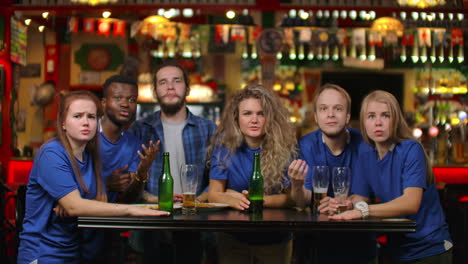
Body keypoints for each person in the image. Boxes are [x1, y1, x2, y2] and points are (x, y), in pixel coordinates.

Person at [17, 90, 169, 264]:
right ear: (63, 123)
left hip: (74, 253)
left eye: (91, 117)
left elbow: (99, 202)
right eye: (77, 116)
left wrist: (75, 202)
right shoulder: (52, 153)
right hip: (44, 253)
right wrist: (130, 209)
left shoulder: (90, 154)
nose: (86, 122)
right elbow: (75, 207)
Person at [329, 90, 453, 263]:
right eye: (371, 116)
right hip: (395, 250)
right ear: (364, 123)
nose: (378, 123)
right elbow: (360, 197)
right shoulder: (365, 153)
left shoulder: (411, 149)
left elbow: (411, 203)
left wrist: (362, 211)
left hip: (430, 249)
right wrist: (348, 203)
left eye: (385, 115)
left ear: (395, 120)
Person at [129, 59, 217, 264]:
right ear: (155, 91)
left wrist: (198, 201)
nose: (170, 86)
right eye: (163, 82)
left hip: (195, 222)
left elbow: (218, 177)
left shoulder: (208, 128)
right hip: (151, 223)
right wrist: (152, 199)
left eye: (176, 81)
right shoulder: (140, 129)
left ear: (187, 88)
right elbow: (131, 182)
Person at [208, 84, 306, 264]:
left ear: (270, 118)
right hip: (232, 238)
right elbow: (214, 193)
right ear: (236, 119)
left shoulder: (286, 149)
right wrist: (231, 199)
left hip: (275, 239)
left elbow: (292, 198)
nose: (254, 119)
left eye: (261, 113)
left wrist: (256, 199)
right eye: (247, 114)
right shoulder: (224, 148)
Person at [289, 83, 377, 264]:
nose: (330, 114)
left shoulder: (364, 145)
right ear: (316, 116)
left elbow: (364, 198)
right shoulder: (306, 144)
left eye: (337, 109)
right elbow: (301, 201)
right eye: (323, 109)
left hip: (358, 241)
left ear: (347, 116)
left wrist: (342, 203)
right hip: (315, 243)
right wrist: (297, 186)